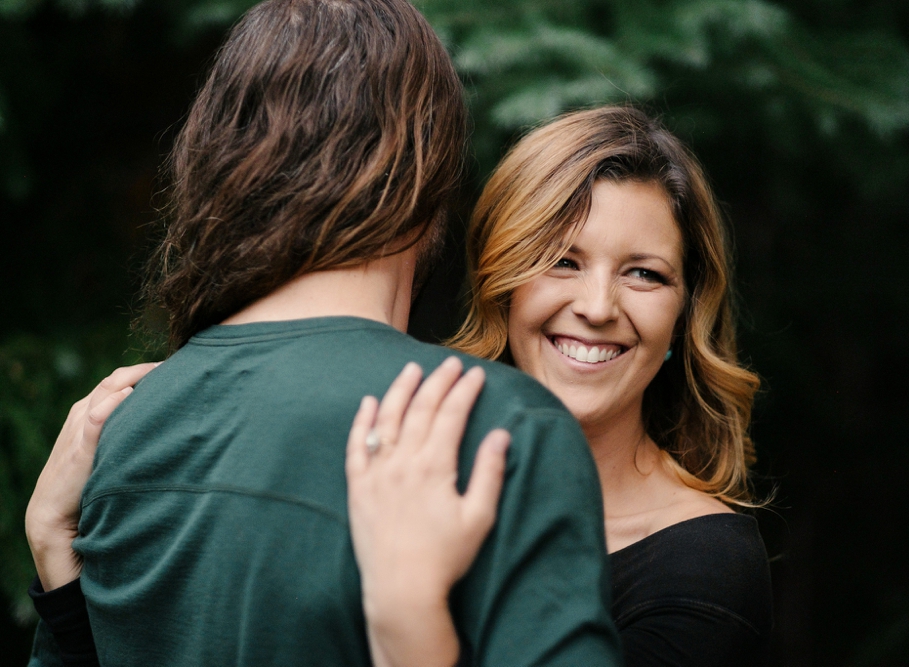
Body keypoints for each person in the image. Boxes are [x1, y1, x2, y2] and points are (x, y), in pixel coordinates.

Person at [29, 106, 773, 666]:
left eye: (645, 273)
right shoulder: (393, 458)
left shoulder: (703, 563)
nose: (600, 305)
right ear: (500, 280)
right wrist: (60, 559)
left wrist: (411, 615)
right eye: (561, 259)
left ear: (683, 313)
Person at [22, 0, 625, 665]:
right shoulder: (491, 430)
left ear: (218, 164)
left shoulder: (123, 436)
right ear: (423, 170)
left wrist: (56, 553)